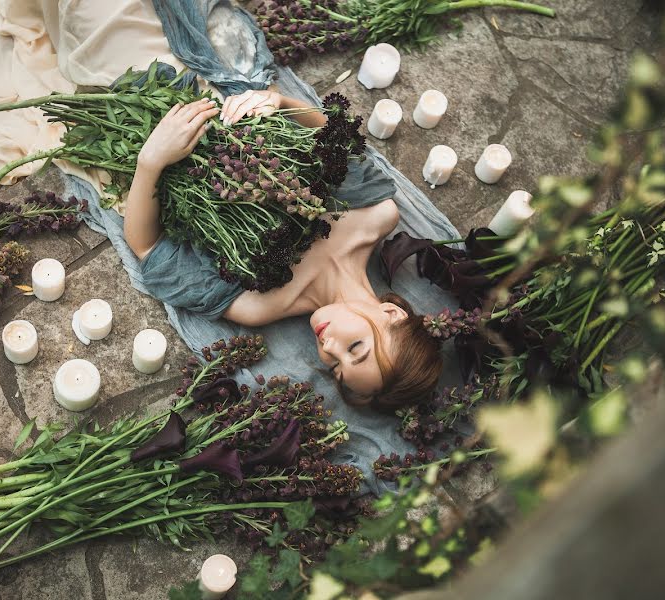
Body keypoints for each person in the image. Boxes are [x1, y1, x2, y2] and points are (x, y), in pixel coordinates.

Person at [123, 88, 442, 410]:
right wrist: (278, 102)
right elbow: (327, 139)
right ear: (392, 314)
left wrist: (150, 161)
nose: (329, 347)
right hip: (202, 102)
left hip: (147, 141)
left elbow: (148, 247)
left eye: (335, 367)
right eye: (356, 349)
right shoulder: (377, 214)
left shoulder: (258, 304)